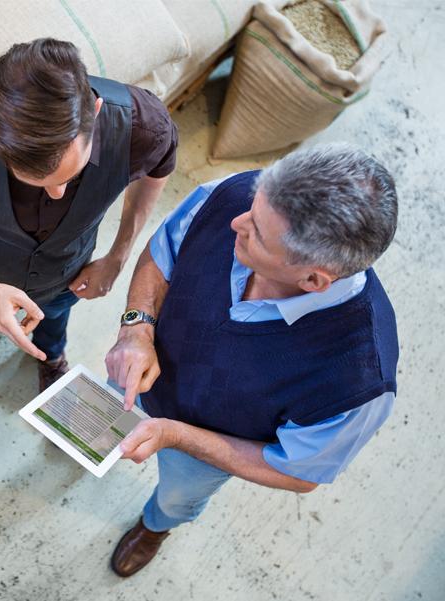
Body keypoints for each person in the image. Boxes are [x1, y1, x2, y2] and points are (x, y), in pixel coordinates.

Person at [104, 143, 399, 577]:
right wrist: (136, 327)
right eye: (252, 206)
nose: (235, 222)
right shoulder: (240, 196)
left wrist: (175, 436)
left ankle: (155, 528)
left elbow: (299, 473)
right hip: (138, 369)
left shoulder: (357, 379)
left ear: (313, 279)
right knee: (104, 427)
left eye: (256, 233)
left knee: (176, 497)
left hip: (202, 451)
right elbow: (163, 249)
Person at [0, 38, 178, 411]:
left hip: (68, 271)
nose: (58, 194)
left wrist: (118, 256)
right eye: (36, 180)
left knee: (55, 317)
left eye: (70, 175)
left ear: (97, 112)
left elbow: (158, 170)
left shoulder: (143, 124)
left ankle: (51, 359)